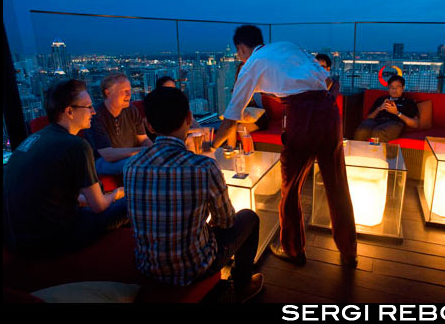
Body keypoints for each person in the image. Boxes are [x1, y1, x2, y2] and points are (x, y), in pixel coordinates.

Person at [211, 25, 358, 267]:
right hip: (330, 112)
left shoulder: (251, 65)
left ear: (240, 49)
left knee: (290, 187)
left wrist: (210, 146)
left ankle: (293, 249)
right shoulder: (287, 47)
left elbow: (231, 119)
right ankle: (349, 250)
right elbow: (330, 82)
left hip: (301, 116)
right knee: (337, 182)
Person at [124, 86, 264, 302]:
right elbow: (226, 221)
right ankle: (242, 285)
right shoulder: (203, 166)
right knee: (249, 218)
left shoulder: (131, 165)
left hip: (147, 266)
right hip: (195, 267)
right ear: (189, 118)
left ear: (149, 125)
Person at [3, 79, 129, 258]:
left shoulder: (36, 138)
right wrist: (117, 193)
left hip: (16, 239)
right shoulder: (76, 145)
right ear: (70, 111)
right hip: (48, 240)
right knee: (136, 199)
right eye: (88, 107)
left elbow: (48, 192)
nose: (93, 112)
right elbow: (99, 206)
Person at [85, 73, 153, 176]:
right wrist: (142, 151)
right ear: (108, 93)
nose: (129, 95)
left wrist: (155, 152)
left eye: (129, 91)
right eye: (124, 91)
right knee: (135, 164)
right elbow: (107, 155)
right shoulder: (96, 115)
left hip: (132, 157)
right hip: (102, 161)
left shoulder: (132, 110)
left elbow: (143, 139)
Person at [353, 75, 419, 142]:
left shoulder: (408, 102)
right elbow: (369, 117)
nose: (394, 90)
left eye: (397, 87)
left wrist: (397, 113)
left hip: (395, 123)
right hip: (377, 121)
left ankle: (378, 152)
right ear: (388, 88)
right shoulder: (381, 99)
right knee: (362, 130)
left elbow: (415, 124)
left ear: (403, 88)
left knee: (379, 132)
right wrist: (379, 108)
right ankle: (356, 151)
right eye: (391, 87)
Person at [225, 61, 269, 149]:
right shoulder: (236, 88)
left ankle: (248, 154)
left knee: (241, 128)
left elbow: (258, 105)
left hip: (258, 117)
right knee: (231, 126)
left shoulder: (256, 86)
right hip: (243, 117)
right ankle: (231, 151)